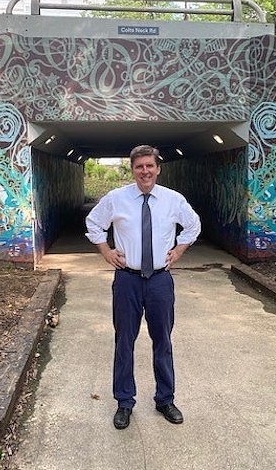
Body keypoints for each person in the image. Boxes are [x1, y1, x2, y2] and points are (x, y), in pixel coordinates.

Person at [85, 144, 201, 430]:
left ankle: (165, 399)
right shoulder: (117, 198)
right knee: (125, 340)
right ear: (132, 170)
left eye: (150, 165)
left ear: (158, 168)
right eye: (139, 167)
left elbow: (193, 225)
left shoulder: (173, 200)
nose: (145, 171)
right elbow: (94, 223)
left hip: (160, 280)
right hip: (127, 279)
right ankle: (124, 402)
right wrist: (106, 251)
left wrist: (179, 250)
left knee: (163, 340)